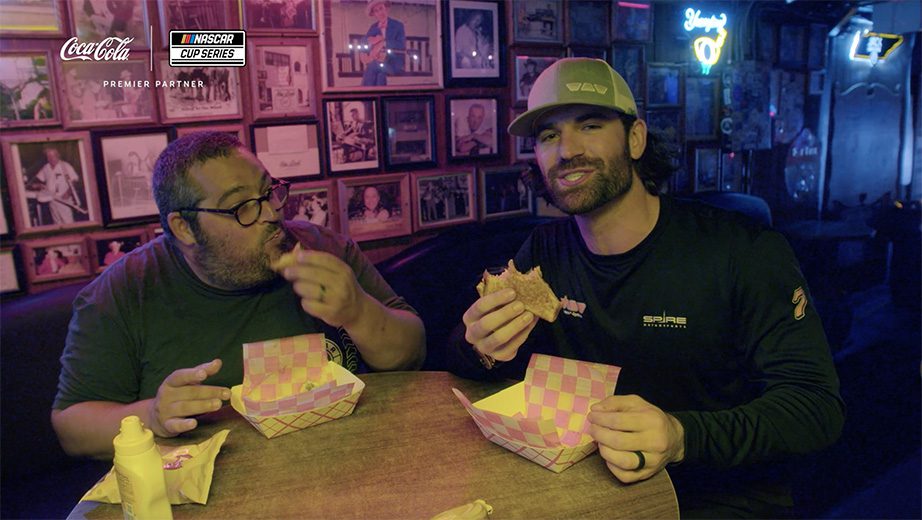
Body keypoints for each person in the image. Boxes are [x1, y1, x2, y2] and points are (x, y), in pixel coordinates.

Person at [454, 58, 844, 518]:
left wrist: (681, 436)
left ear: (635, 139)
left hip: (715, 495)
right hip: (580, 486)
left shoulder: (743, 251)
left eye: (591, 125)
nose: (566, 151)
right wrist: (480, 346)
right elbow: (477, 367)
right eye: (548, 135)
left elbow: (816, 408)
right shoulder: (543, 251)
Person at [52, 131, 425, 458]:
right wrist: (151, 417)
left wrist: (359, 312)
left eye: (269, 192)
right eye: (242, 206)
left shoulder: (322, 247)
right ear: (184, 228)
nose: (271, 215)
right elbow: (72, 426)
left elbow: (411, 352)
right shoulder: (122, 293)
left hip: (348, 458)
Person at [30, 147, 84, 225]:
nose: (51, 158)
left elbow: (75, 181)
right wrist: (37, 185)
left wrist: (68, 193)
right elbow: (37, 179)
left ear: (58, 155)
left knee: (68, 223)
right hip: (51, 200)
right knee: (57, 223)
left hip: (64, 200)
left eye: (53, 156)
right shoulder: (46, 167)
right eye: (49, 157)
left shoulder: (65, 166)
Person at [360, 0, 406, 86]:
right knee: (380, 76)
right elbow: (364, 41)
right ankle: (378, 98)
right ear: (374, 14)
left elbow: (401, 45)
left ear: (386, 9)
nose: (380, 13)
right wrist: (370, 42)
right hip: (379, 63)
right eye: (376, 11)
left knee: (373, 66)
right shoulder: (373, 27)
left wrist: (384, 43)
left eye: (381, 8)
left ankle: (366, 97)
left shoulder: (398, 25)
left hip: (393, 62)